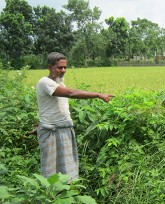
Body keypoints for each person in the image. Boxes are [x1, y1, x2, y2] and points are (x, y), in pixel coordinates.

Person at [36, 52, 114, 181]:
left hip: (64, 130)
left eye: (65, 67)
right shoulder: (45, 82)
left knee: (67, 169)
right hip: (52, 132)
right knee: (50, 171)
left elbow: (50, 108)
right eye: (59, 67)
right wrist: (98, 95)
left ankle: (67, 196)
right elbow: (71, 93)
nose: (63, 70)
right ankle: (50, 199)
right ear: (50, 67)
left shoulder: (60, 83)